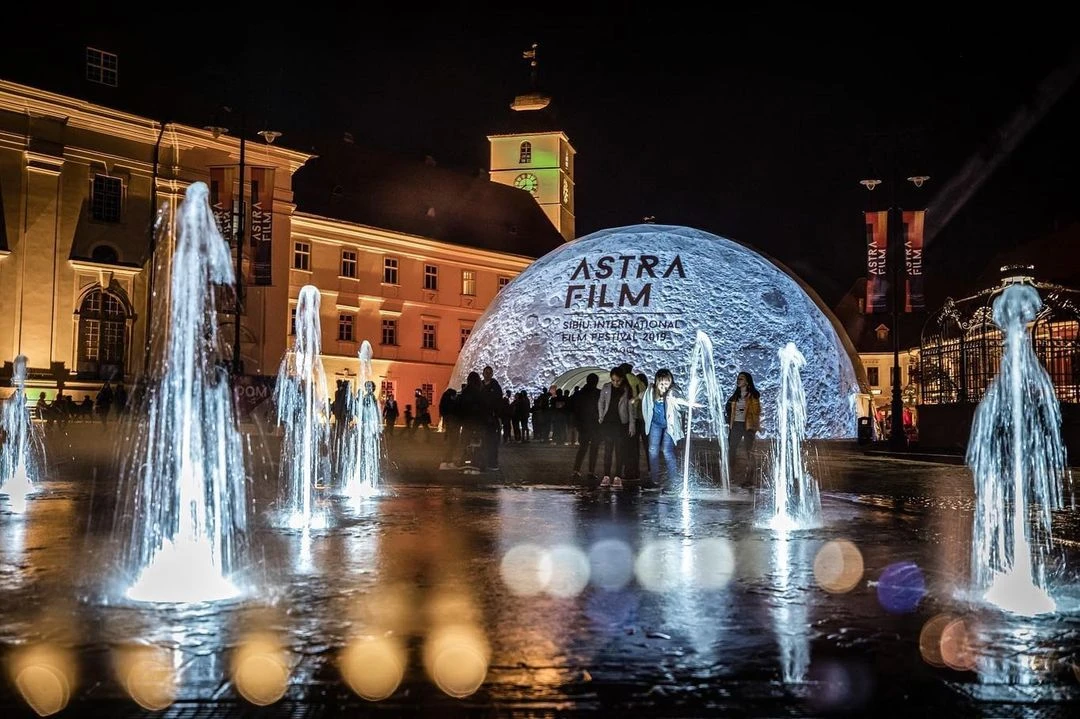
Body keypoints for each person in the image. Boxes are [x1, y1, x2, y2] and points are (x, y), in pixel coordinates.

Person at [642, 368, 685, 491]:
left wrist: (687, 404)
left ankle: (673, 481)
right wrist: (635, 399)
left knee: (667, 451)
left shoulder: (673, 392)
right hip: (655, 423)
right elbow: (643, 397)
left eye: (667, 383)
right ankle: (654, 480)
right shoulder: (651, 391)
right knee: (652, 450)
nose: (663, 386)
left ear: (671, 383)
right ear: (656, 382)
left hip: (669, 425)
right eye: (661, 383)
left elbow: (680, 401)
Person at [597, 366, 636, 490]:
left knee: (620, 451)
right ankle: (606, 476)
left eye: (618, 380)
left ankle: (618, 476)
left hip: (621, 423)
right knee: (608, 450)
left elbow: (631, 408)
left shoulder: (627, 389)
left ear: (622, 379)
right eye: (613, 380)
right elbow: (601, 402)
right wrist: (601, 416)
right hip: (608, 422)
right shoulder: (606, 388)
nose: (615, 383)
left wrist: (631, 424)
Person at [726, 371, 761, 488]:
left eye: (741, 379)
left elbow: (756, 411)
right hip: (736, 425)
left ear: (747, 381)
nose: (738, 380)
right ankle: (732, 477)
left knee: (749, 452)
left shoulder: (753, 396)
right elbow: (728, 409)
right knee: (731, 450)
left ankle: (750, 479)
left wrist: (755, 427)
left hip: (748, 426)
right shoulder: (735, 397)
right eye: (738, 379)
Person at [570, 373, 601, 483]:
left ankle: (576, 470)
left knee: (583, 448)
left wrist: (576, 423)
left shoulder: (579, 394)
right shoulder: (598, 393)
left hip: (583, 425)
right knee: (594, 448)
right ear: (596, 382)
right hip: (595, 425)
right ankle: (591, 471)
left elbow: (573, 408)